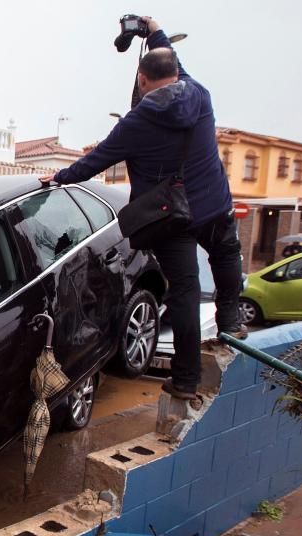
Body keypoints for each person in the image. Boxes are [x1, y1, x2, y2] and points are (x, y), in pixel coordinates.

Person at [39, 16, 244, 401]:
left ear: (141, 80)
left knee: (184, 292)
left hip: (170, 218)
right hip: (213, 206)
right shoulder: (199, 95)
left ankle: (185, 380)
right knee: (227, 254)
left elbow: (94, 162)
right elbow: (173, 65)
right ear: (174, 72)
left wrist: (60, 178)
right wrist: (154, 33)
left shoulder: (135, 122)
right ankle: (230, 320)